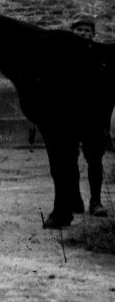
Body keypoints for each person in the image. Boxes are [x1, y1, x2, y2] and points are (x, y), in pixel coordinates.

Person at [68, 13, 107, 217]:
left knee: (95, 160)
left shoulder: (99, 55)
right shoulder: (64, 56)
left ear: (93, 35)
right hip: (70, 115)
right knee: (69, 159)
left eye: (87, 31)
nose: (83, 34)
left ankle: (96, 201)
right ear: (72, 32)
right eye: (79, 30)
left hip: (93, 116)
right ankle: (75, 199)